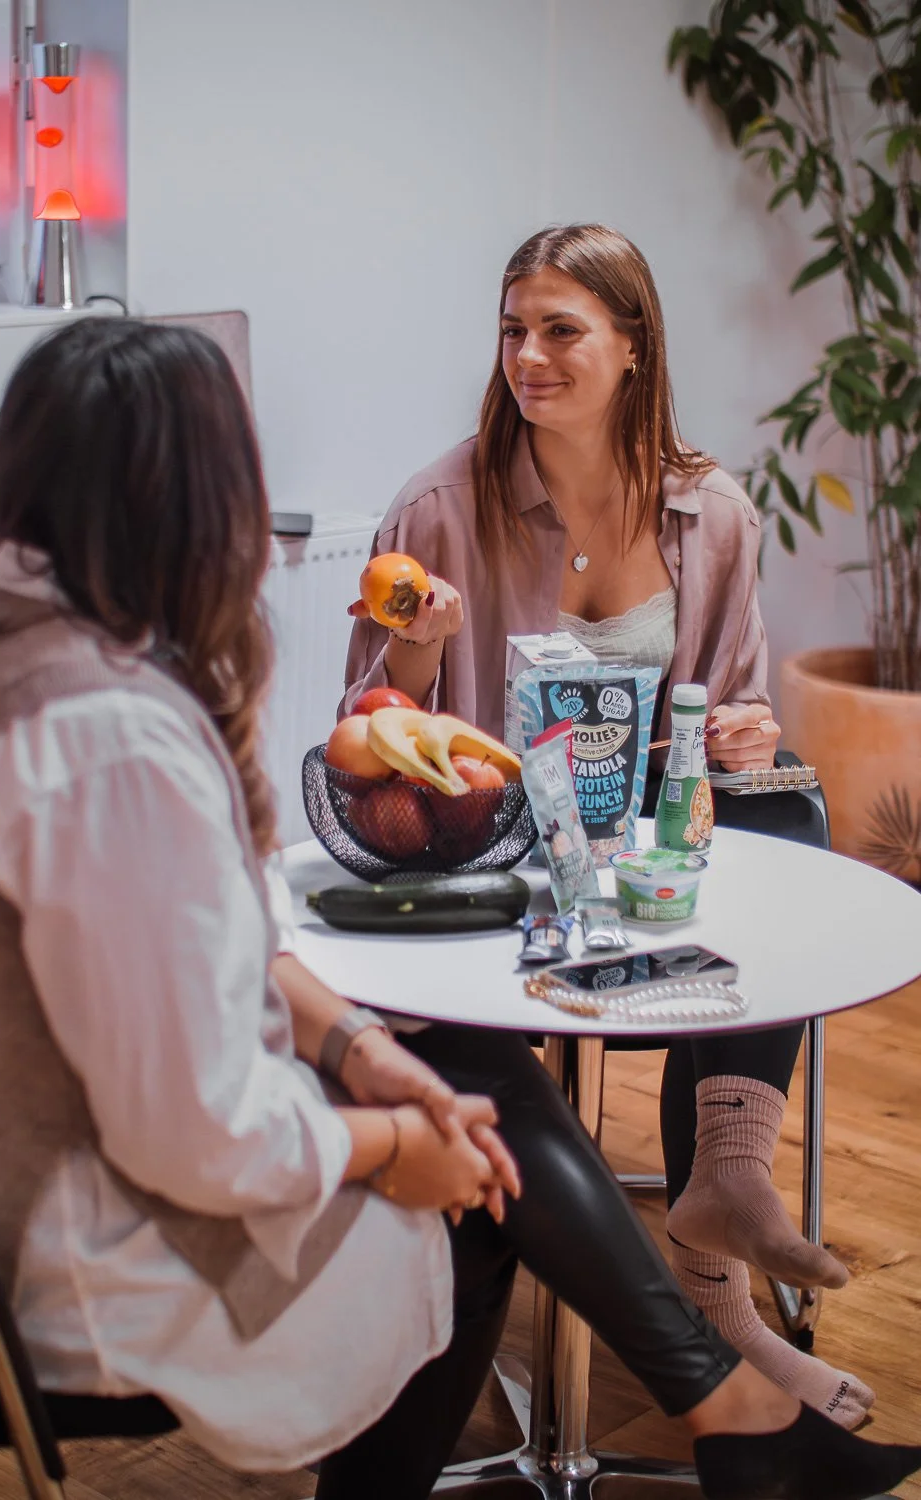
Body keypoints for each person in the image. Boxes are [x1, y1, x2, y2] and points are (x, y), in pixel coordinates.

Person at [0, 318, 916, 1500]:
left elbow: (203, 947)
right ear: (195, 500)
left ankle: (728, 1407)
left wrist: (360, 1053)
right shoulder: (110, 738)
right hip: (24, 1261)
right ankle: (725, 1415)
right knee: (479, 1187)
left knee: (469, 1078)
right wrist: (402, 1149)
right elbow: (193, 1134)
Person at [344, 223, 869, 1426]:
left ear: (633, 349)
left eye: (560, 330)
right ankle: (702, 1299)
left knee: (780, 805)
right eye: (511, 330)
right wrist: (417, 653)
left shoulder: (713, 514)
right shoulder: (434, 508)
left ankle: (724, 1199)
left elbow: (734, 711)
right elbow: (367, 749)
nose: (526, 355)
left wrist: (743, 729)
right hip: (499, 861)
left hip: (650, 863)